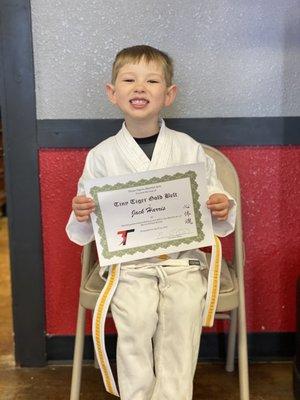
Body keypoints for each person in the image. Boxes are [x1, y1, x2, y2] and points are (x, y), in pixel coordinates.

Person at [66, 45, 236, 400]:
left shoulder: (188, 148)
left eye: (152, 80)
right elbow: (85, 225)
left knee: (182, 319)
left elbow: (213, 199)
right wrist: (83, 213)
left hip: (182, 262)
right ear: (112, 93)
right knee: (136, 321)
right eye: (129, 79)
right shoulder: (101, 157)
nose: (139, 87)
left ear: (169, 94)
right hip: (129, 266)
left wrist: (221, 206)